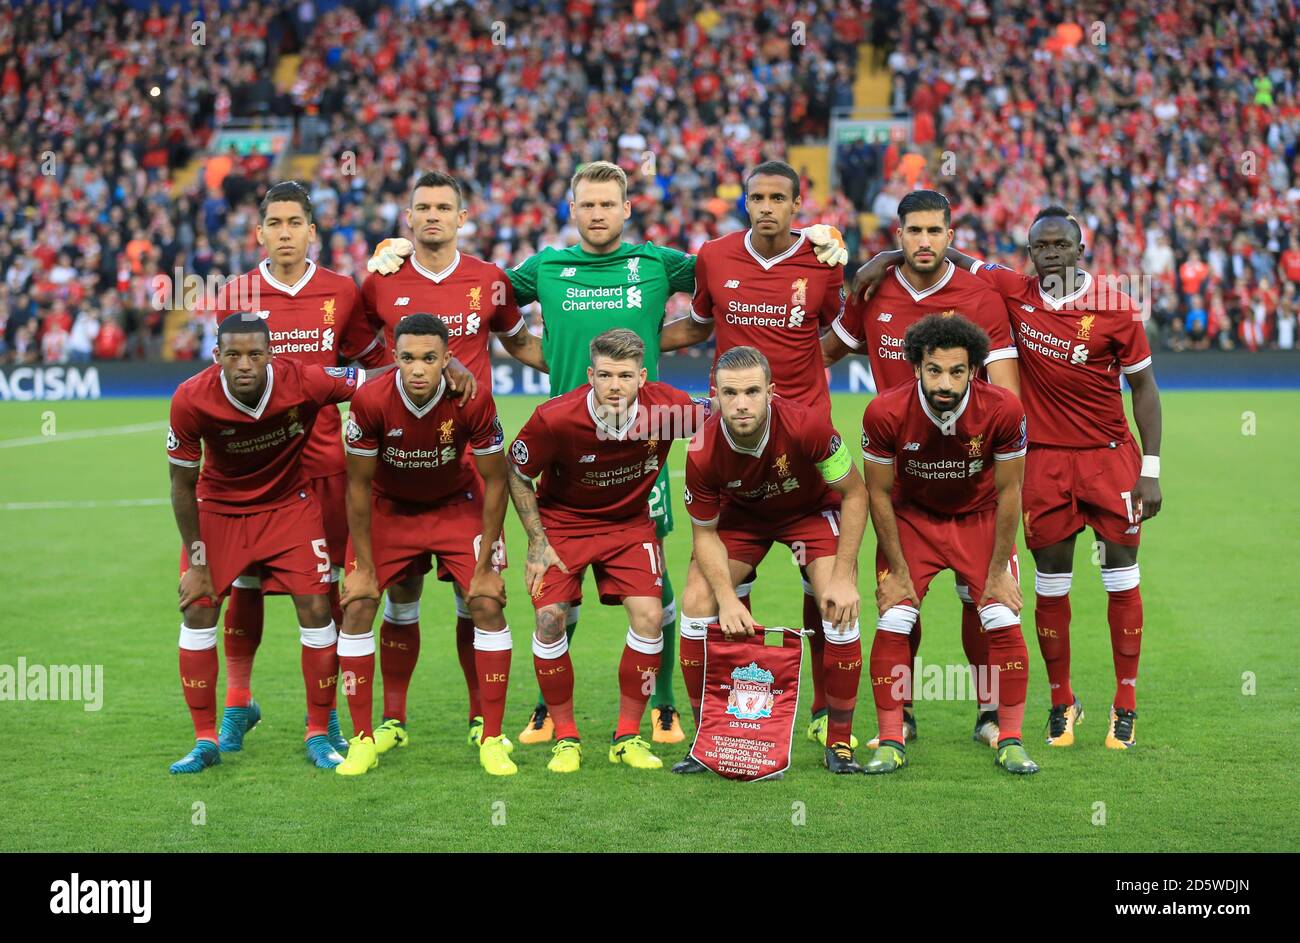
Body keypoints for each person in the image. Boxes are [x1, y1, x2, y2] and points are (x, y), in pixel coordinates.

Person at [369, 160, 848, 747]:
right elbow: (472, 292)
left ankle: (666, 703)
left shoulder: (657, 264)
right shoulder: (544, 268)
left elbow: (739, 263)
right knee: (556, 586)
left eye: (608, 204)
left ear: (627, 210)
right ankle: (549, 708)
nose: (597, 214)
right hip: (567, 447)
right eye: (586, 205)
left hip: (644, 447)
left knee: (660, 582)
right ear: (573, 212)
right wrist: (400, 249)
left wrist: (815, 240)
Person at [659, 159, 853, 750]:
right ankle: (718, 725)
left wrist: (795, 386)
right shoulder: (714, 257)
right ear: (744, 201)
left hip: (800, 450)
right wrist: (636, 342)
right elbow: (693, 326)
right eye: (756, 197)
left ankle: (828, 717)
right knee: (712, 599)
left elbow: (844, 333)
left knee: (826, 597)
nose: (766, 206)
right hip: (738, 449)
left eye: (778, 197)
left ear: (798, 204)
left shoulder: (822, 263)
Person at [823, 189, 1021, 749]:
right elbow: (821, 354)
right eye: (914, 232)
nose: (925, 241)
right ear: (899, 235)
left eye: (936, 231)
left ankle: (988, 713)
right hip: (900, 484)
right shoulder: (873, 289)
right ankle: (901, 716)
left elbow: (1005, 394)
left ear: (950, 236)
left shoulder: (979, 296)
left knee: (982, 598)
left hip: (972, 481)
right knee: (898, 602)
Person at [359, 171, 545, 750]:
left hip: (471, 463)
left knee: (478, 594)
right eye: (422, 208)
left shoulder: (489, 280)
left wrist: (577, 379)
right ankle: (392, 719)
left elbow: (518, 342)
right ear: (407, 218)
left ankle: (477, 719)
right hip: (400, 462)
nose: (432, 216)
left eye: (444, 207)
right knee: (401, 594)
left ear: (463, 217)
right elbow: (361, 355)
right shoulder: (379, 283)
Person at [166, 313, 368, 773]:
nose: (244, 365)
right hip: (218, 510)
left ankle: (319, 730)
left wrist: (439, 369)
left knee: (318, 609)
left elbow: (370, 378)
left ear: (270, 354)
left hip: (289, 508)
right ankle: (204, 740)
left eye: (255, 354)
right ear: (216, 356)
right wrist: (197, 560)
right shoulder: (191, 398)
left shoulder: (306, 381)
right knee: (198, 606)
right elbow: (181, 485)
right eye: (233, 354)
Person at [506, 329, 707, 773]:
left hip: (629, 525)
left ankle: (627, 735)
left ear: (643, 376)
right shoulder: (555, 418)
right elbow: (517, 470)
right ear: (590, 375)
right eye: (606, 375)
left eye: (625, 376)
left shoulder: (667, 410)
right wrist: (537, 541)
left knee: (651, 617)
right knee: (549, 618)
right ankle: (565, 737)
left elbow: (722, 416)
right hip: (563, 524)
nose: (615, 385)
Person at [673, 345, 868, 775]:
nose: (741, 403)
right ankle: (708, 737)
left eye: (752, 392)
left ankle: (839, 743)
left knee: (838, 608)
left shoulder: (808, 425)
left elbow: (855, 493)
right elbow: (704, 534)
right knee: (695, 603)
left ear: (771, 392)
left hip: (809, 514)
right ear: (715, 394)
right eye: (730, 393)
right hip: (742, 519)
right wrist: (727, 599)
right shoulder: (702, 448)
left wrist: (842, 575)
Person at [335, 314, 513, 776]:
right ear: (394, 358)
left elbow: (496, 482)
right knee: (357, 604)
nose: (418, 369)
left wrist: (487, 562)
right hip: (391, 507)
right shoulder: (370, 401)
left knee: (486, 601)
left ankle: (491, 734)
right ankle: (366, 736)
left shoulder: (473, 400)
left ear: (447, 359)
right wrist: (363, 566)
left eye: (429, 359)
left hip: (457, 503)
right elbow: (356, 487)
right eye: (408, 358)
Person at [860, 314, 1037, 775]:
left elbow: (1010, 491)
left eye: (957, 371)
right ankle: (892, 739)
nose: (945, 381)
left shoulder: (1003, 409)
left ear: (974, 370)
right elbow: (877, 492)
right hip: (912, 521)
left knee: (1001, 613)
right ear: (917, 365)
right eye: (934, 369)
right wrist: (898, 570)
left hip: (978, 518)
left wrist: (999, 570)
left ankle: (1010, 737)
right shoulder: (884, 411)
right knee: (895, 617)